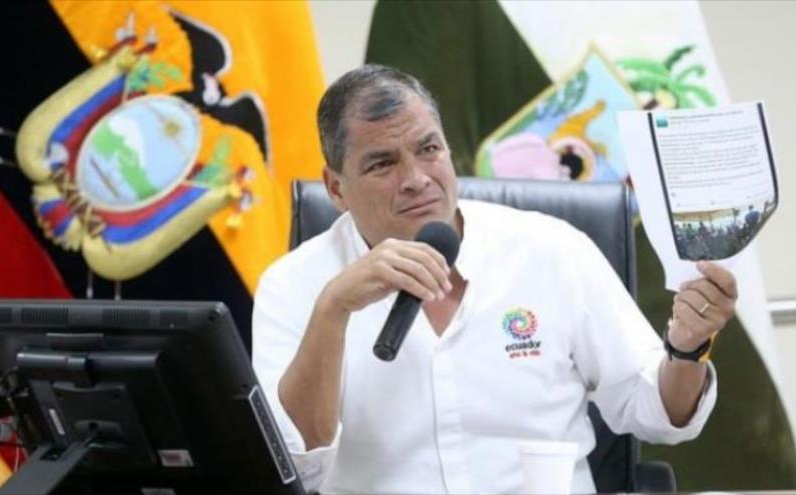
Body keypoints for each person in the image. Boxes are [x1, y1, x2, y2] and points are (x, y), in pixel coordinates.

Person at [252, 65, 737, 494]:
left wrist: (687, 348)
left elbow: (655, 411)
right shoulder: (295, 285)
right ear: (336, 187)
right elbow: (299, 467)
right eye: (383, 163)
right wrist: (332, 312)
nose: (417, 178)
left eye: (428, 149)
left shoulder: (551, 249)